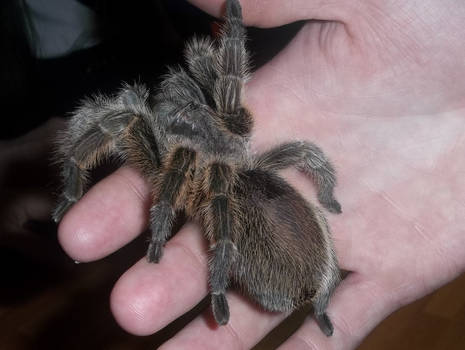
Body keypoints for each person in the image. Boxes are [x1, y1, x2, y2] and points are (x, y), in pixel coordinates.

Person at [57, 0, 465, 348]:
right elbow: (225, 92)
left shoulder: (200, 152)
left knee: (140, 120)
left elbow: (189, 167)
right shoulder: (223, 134)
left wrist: (165, 232)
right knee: (262, 154)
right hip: (252, 186)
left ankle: (314, 296)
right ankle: (318, 300)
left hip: (244, 188)